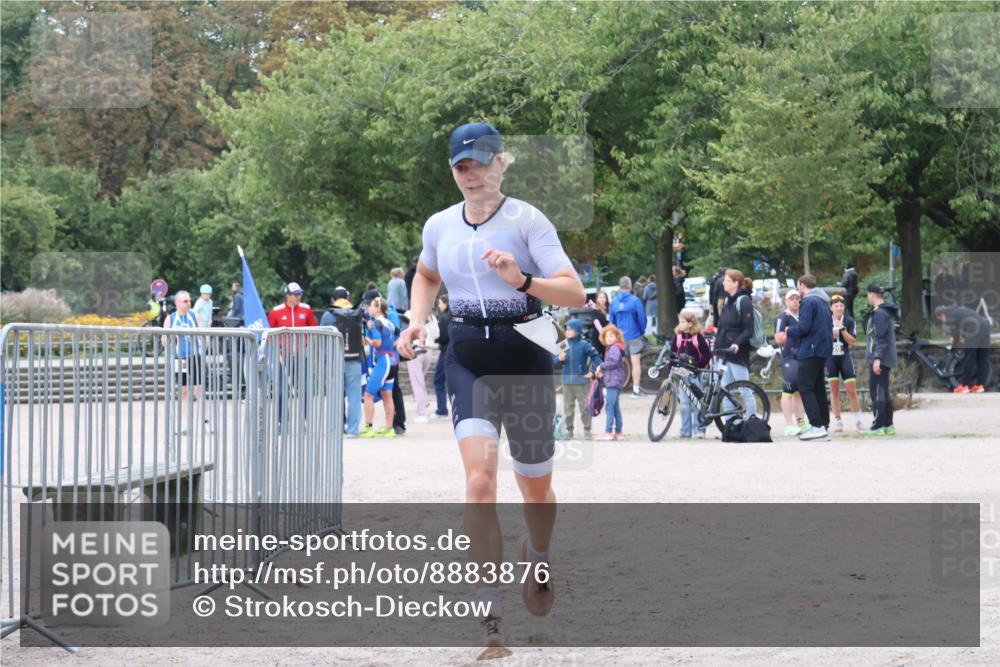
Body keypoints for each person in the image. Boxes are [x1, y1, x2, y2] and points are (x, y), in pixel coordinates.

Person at [396, 121, 584, 659]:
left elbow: (572, 293)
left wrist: (521, 281)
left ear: (501, 163)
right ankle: (490, 618)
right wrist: (416, 320)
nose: (472, 175)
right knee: (479, 483)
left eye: (481, 163)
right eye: (462, 166)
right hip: (469, 363)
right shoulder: (439, 225)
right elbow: (426, 274)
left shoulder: (528, 221)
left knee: (536, 491)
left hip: (524, 360)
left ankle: (538, 554)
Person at [783, 274, 834, 441]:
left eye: (798, 286)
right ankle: (823, 425)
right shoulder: (823, 301)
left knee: (805, 386)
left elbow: (804, 327)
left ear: (802, 285)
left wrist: (789, 331)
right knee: (818, 387)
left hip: (811, 349)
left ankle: (816, 425)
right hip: (823, 349)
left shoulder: (808, 301)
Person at [320, 287, 366, 437]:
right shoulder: (356, 312)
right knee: (354, 397)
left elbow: (322, 338)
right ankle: (353, 430)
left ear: (333, 299)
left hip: (334, 360)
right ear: (348, 298)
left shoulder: (328, 315)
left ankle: (335, 429)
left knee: (335, 395)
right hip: (354, 358)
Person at [715, 269, 756, 418]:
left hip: (737, 352)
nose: (723, 283)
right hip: (724, 351)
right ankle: (730, 421)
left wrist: (737, 343)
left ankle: (752, 420)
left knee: (744, 389)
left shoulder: (744, 301)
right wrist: (717, 350)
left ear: (736, 283)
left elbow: (748, 329)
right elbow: (722, 327)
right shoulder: (728, 300)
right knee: (725, 389)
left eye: (727, 280)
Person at [556, 318, 602, 440]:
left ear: (577, 331)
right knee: (568, 409)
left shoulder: (584, 345)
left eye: (570, 329)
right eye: (566, 329)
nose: (567, 331)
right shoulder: (563, 345)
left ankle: (587, 430)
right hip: (566, 383)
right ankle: (569, 431)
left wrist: (592, 372)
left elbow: (597, 358)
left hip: (582, 383)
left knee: (585, 408)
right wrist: (559, 359)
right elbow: (553, 361)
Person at [862, 284, 899, 435]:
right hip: (885, 356)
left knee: (877, 391)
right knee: (883, 390)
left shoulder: (879, 313)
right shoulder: (885, 311)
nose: (867, 297)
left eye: (868, 294)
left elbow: (880, 338)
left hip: (880, 358)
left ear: (872, 294)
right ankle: (888, 425)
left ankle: (877, 426)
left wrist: (877, 358)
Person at [670, 310, 711, 439]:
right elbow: (672, 354)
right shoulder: (677, 338)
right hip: (682, 374)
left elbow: (706, 354)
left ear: (690, 323)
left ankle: (699, 430)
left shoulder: (698, 337)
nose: (680, 324)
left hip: (696, 374)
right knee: (684, 404)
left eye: (683, 322)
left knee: (697, 403)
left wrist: (698, 366)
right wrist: (671, 368)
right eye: (680, 322)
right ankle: (685, 430)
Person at [361, 297, 398, 437]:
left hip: (383, 361)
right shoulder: (389, 323)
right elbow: (401, 334)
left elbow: (377, 342)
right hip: (392, 360)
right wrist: (392, 346)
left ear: (378, 308)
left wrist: (367, 340)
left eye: (371, 306)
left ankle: (368, 427)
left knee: (368, 394)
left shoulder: (376, 323)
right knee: (387, 395)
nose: (369, 308)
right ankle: (389, 428)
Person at [162, 290, 204, 412]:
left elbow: (204, 336)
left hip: (195, 356)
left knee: (199, 389)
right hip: (179, 358)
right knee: (183, 390)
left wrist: (195, 335)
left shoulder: (195, 316)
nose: (189, 303)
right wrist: (172, 336)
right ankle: (185, 419)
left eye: (190, 300)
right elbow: (163, 341)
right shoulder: (170, 319)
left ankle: (204, 418)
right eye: (185, 301)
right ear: (177, 303)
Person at [773, 290, 808, 436]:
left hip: (802, 357)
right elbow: (779, 338)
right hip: (789, 357)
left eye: (797, 298)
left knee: (799, 391)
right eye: (791, 298)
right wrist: (794, 332)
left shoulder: (803, 316)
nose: (795, 301)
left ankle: (801, 422)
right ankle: (788, 425)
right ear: (786, 301)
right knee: (788, 389)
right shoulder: (783, 318)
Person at [935, 304, 991, 393]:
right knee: (982, 358)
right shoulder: (957, 310)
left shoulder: (949, 316)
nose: (943, 321)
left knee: (969, 358)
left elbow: (955, 334)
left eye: (941, 319)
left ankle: (964, 386)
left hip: (973, 330)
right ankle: (980, 386)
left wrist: (953, 344)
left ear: (941, 315)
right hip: (985, 327)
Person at [827, 294, 863, 431]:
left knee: (851, 390)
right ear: (831, 308)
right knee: (834, 390)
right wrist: (831, 333)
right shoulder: (826, 321)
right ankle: (838, 421)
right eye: (836, 306)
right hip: (831, 357)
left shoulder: (849, 321)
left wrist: (842, 329)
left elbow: (852, 342)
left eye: (841, 305)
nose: (839, 308)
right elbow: (822, 338)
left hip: (844, 356)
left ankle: (858, 420)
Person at [609, 276, 647, 399]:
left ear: (620, 287)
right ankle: (635, 391)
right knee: (636, 364)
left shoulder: (614, 302)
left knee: (617, 363)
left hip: (619, 337)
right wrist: (641, 331)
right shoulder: (635, 300)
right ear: (630, 286)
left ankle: (614, 388)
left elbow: (612, 321)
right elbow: (642, 318)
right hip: (634, 335)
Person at [596, 324, 627, 441]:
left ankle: (608, 431)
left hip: (613, 382)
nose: (609, 338)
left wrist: (601, 366)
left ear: (617, 337)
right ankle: (619, 432)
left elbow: (612, 362)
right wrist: (603, 371)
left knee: (609, 407)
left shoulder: (614, 348)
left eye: (611, 336)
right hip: (614, 381)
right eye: (607, 336)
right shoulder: (613, 348)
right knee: (615, 407)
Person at [432, 294, 450, 418]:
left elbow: (442, 337)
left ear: (445, 303)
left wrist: (435, 339)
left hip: (445, 352)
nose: (439, 306)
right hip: (455, 351)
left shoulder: (445, 319)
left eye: (440, 303)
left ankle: (442, 409)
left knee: (438, 380)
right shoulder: (455, 317)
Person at [589, 291, 611, 356]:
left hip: (608, 336)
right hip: (598, 336)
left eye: (604, 297)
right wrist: (603, 334)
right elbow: (596, 322)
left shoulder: (609, 309)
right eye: (600, 297)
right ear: (597, 299)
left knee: (607, 355)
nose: (602, 299)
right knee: (597, 356)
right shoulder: (594, 310)